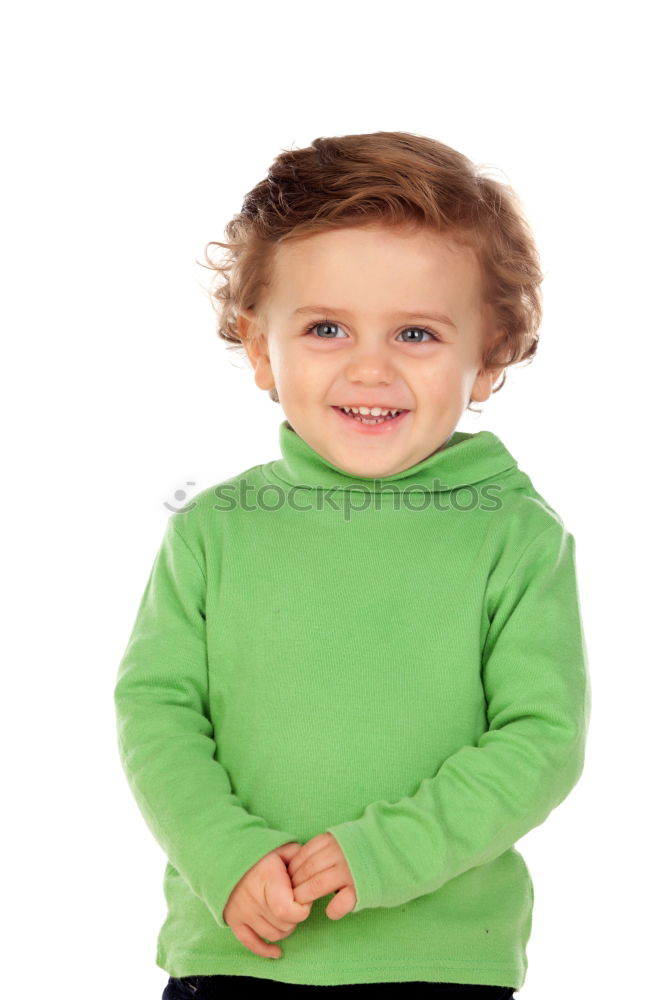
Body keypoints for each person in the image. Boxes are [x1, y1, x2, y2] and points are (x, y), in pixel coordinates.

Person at [114, 131, 591, 998]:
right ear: (261, 350)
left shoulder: (513, 535)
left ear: (486, 359)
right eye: (326, 327)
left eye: (416, 332)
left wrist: (379, 852)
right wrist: (228, 857)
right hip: (235, 951)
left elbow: (539, 740)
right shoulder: (214, 531)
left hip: (436, 963)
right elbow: (157, 712)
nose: (369, 366)